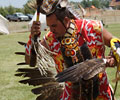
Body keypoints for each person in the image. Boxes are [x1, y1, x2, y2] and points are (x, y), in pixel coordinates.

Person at [25, 0, 119, 100]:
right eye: (49, 26)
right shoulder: (50, 39)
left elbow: (114, 42)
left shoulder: (92, 28)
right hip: (71, 96)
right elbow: (29, 61)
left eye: (54, 26)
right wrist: (32, 38)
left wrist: (113, 57)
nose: (51, 30)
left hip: (101, 94)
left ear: (66, 20)